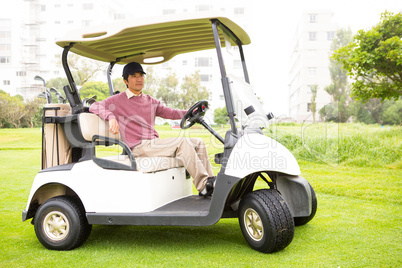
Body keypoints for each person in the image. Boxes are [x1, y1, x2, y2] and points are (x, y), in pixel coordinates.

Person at [89, 62, 215, 196]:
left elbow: (171, 113)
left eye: (141, 76)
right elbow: (94, 106)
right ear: (126, 80)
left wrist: (191, 112)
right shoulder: (118, 100)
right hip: (138, 146)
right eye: (134, 76)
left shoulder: (150, 101)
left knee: (199, 142)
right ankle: (203, 184)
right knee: (182, 142)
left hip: (153, 144)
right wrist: (111, 117)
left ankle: (212, 184)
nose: (139, 79)